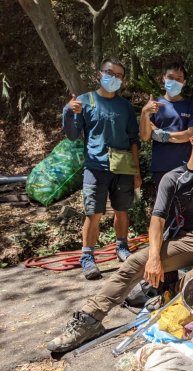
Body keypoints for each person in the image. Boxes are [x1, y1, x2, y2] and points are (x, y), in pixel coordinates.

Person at [47, 123, 193, 353]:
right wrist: (154, 257)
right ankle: (88, 320)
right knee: (134, 264)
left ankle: (179, 296)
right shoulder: (173, 178)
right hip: (185, 239)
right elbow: (157, 220)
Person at [63, 57, 141, 280]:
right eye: (110, 73)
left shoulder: (125, 106)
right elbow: (72, 134)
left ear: (123, 80)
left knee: (122, 210)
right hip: (95, 166)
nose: (113, 78)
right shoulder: (85, 101)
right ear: (99, 73)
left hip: (123, 165)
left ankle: (122, 247)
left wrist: (136, 171)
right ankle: (87, 257)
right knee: (93, 213)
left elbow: (134, 139)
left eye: (118, 75)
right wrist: (69, 111)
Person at [140, 62, 193, 188]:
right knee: (164, 207)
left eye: (179, 79)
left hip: (185, 167)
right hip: (161, 167)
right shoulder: (154, 106)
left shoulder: (192, 106)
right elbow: (145, 136)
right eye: (171, 78)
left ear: (184, 82)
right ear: (164, 78)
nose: (174, 81)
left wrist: (162, 135)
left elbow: (190, 134)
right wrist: (145, 112)